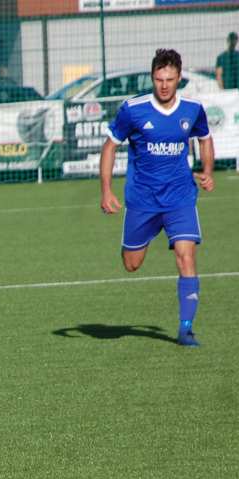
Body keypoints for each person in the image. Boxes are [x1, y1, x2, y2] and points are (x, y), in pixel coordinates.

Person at [100, 49, 215, 347]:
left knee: (186, 256)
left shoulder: (192, 109)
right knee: (132, 264)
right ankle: (142, 238)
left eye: (170, 79)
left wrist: (208, 170)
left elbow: (205, 137)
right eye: (159, 79)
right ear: (152, 78)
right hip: (142, 200)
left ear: (179, 78)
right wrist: (106, 190)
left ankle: (186, 328)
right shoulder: (133, 109)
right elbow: (110, 147)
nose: (164, 85)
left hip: (179, 198)